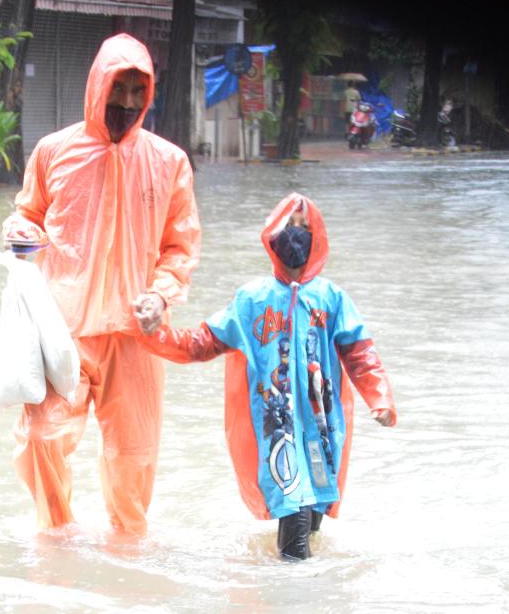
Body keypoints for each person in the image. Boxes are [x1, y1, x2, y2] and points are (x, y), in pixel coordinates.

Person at [1, 33, 201, 537]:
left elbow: (181, 246)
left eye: (139, 91)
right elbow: (28, 215)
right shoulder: (53, 152)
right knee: (41, 440)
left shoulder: (170, 162)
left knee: (133, 460)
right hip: (63, 329)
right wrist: (21, 234)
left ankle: (126, 562)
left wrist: (160, 294)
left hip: (139, 334)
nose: (127, 103)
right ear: (98, 86)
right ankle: (55, 543)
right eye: (119, 88)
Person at [136, 193, 396, 560]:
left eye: (304, 229)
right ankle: (291, 591)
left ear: (317, 236)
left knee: (315, 507)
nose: (296, 236)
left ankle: (307, 594)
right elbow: (203, 342)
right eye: (288, 228)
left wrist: (380, 399)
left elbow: (359, 353)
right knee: (294, 515)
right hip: (277, 429)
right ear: (272, 236)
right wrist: (155, 333)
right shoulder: (252, 300)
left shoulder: (331, 298)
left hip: (322, 426)